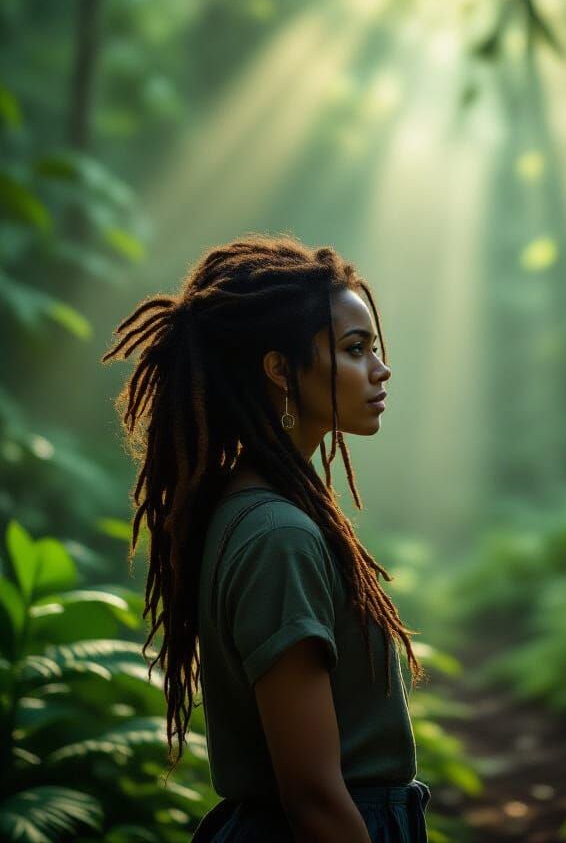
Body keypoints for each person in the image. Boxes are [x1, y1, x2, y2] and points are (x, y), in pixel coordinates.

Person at [101, 232, 431, 842]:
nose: (380, 370)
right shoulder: (278, 534)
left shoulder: (254, 506)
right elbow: (312, 796)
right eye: (355, 349)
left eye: (374, 347)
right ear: (279, 369)